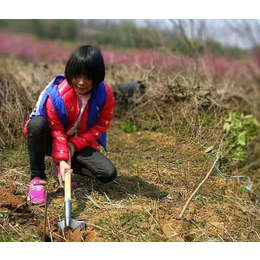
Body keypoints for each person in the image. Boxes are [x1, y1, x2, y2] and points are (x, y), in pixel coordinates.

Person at [23, 45, 117, 205]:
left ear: (97, 76)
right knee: (37, 124)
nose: (81, 82)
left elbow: (102, 124)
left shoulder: (105, 94)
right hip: (51, 138)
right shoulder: (56, 95)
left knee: (108, 173)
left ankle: (61, 164)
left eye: (88, 77)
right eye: (77, 75)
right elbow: (56, 129)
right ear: (70, 72)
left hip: (77, 141)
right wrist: (62, 158)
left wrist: (73, 145)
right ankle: (38, 179)